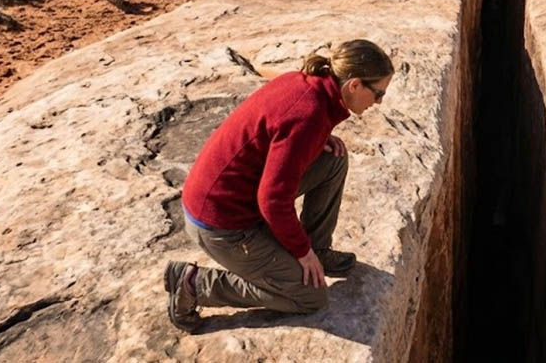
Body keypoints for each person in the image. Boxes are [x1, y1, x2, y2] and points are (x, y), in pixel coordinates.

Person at [164, 39, 394, 331]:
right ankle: (195, 285)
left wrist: (318, 140)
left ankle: (319, 250)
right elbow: (272, 201)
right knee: (310, 296)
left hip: (229, 202)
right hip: (223, 224)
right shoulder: (308, 116)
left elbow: (277, 132)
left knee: (333, 160)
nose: (379, 103)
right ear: (355, 85)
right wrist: (301, 252)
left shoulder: (308, 86)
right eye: (379, 94)